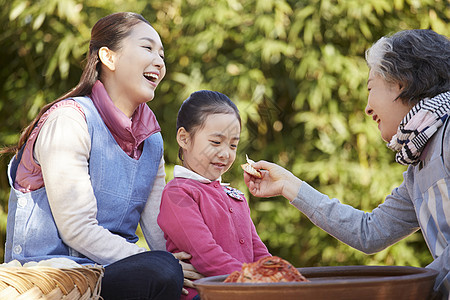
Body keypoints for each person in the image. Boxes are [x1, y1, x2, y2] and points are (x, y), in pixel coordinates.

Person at [244, 29, 450, 299]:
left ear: (401, 82)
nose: (366, 107)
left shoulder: (447, 135)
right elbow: (370, 232)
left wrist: (420, 287)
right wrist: (288, 184)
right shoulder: (417, 166)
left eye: (370, 87)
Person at [1, 12, 191, 300]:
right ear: (109, 58)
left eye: (162, 54)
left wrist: (197, 267)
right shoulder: (70, 121)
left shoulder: (151, 139)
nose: (159, 61)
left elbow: (159, 229)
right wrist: (167, 265)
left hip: (112, 274)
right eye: (147, 48)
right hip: (57, 279)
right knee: (162, 269)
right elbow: (77, 229)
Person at [157, 90, 271, 300]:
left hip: (244, 291)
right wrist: (254, 280)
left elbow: (258, 250)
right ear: (184, 138)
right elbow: (206, 256)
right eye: (216, 142)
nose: (226, 153)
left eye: (233, 145)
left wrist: (276, 274)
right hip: (207, 294)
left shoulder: (235, 196)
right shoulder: (178, 194)